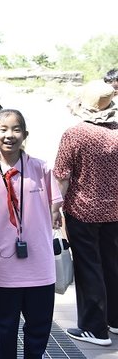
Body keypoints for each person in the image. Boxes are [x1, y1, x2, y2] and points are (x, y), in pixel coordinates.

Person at [0, 109, 63, 358]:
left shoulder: (41, 168)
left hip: (40, 267)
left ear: (25, 134)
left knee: (39, 327)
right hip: (4, 269)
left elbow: (54, 205)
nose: (10, 135)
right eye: (3, 129)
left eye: (16, 129)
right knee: (4, 329)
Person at [54, 80, 118, 346]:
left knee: (89, 268)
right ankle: (114, 321)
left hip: (82, 211)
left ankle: (94, 328)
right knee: (113, 266)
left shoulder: (75, 134)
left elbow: (61, 177)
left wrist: (55, 210)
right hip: (115, 212)